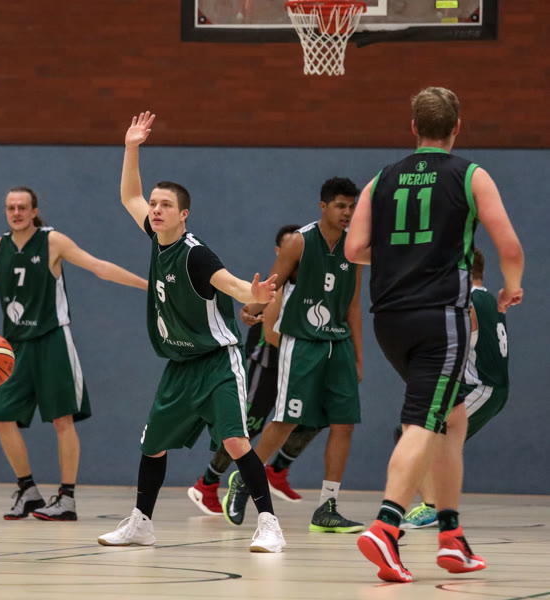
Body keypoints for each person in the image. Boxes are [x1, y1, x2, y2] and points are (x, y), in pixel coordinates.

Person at [346, 87, 524, 582]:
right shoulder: (470, 174)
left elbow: (355, 249)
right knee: (424, 421)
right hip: (440, 317)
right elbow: (509, 246)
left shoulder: (380, 179)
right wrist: (510, 288)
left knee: (453, 417)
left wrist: (403, 255)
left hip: (389, 319)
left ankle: (451, 535)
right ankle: (387, 527)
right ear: (457, 127)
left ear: (413, 127)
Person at [97, 112, 285, 552]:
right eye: (154, 204)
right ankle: (141, 524)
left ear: (183, 214)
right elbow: (129, 195)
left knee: (235, 441)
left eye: (165, 205)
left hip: (217, 362)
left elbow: (233, 286)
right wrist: (131, 147)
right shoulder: (156, 238)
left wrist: (255, 294)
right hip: (180, 365)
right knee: (152, 445)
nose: (155, 209)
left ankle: (269, 525)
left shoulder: (195, 255)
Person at [0, 186, 147, 521]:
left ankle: (67, 498)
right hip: (12, 347)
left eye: (22, 207)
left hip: (52, 339)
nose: (16, 213)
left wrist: (147, 285)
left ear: (34, 211)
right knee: (3, 418)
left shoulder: (53, 241)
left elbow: (99, 267)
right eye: (11, 207)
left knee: (62, 419)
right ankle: (27, 491)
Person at [224, 177, 365, 534]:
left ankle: (327, 506)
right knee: (287, 419)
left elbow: (353, 305)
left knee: (344, 423)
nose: (347, 212)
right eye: (340, 206)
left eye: (352, 206)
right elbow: (271, 285)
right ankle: (245, 478)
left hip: (339, 344)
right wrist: (252, 308)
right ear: (323, 206)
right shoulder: (299, 242)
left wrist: (358, 356)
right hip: (302, 342)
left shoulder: (355, 247)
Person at [188, 224, 323, 515]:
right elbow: (256, 315)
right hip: (268, 360)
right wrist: (251, 311)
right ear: (280, 251)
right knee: (249, 426)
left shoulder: (316, 280)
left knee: (315, 417)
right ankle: (207, 484)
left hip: (299, 361)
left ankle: (277, 470)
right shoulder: (277, 283)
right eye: (291, 248)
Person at [400, 248, 511, 529]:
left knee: (424, 435)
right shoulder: (490, 298)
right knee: (422, 433)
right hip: (485, 387)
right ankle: (435, 506)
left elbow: (454, 342)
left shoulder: (467, 302)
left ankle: (432, 508)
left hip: (480, 388)